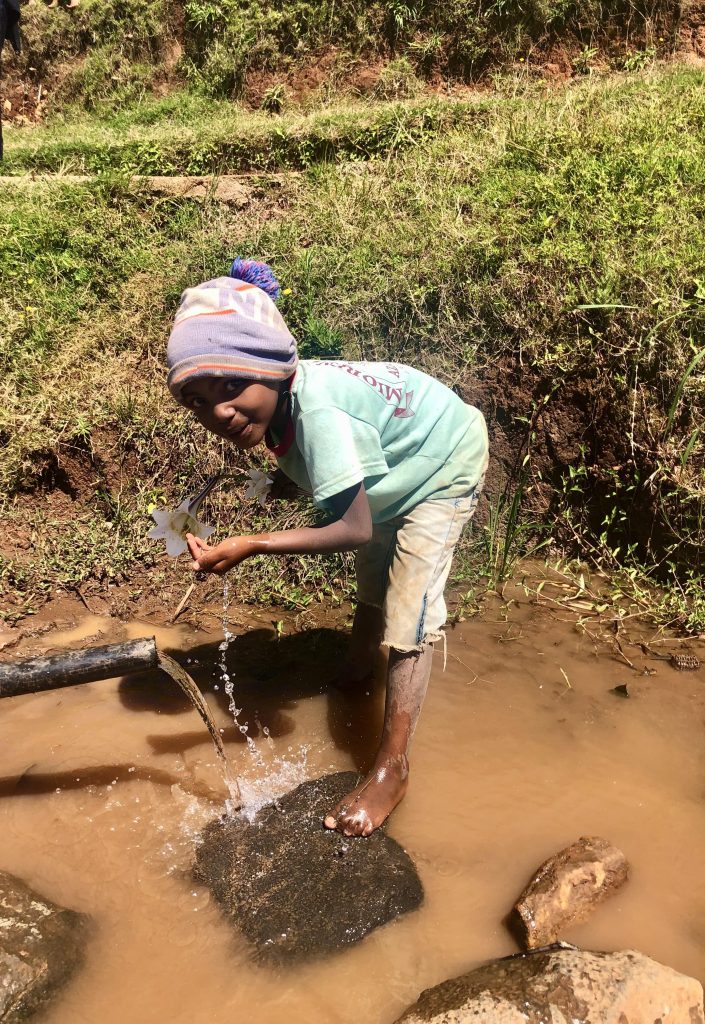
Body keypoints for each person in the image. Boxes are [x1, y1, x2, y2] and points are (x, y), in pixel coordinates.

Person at [166, 258, 489, 837]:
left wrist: (252, 543)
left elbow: (354, 527)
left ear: (272, 367)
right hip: (399, 464)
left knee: (408, 606)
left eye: (232, 387)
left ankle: (392, 768)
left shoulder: (315, 413)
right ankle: (358, 668)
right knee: (373, 576)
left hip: (441, 462)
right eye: (198, 401)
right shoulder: (284, 401)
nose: (220, 412)